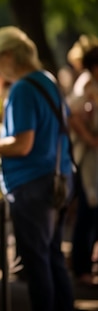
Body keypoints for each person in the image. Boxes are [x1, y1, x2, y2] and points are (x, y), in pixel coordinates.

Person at [0, 26, 75, 311]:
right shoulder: (47, 80)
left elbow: (22, 144)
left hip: (34, 183)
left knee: (37, 262)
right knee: (52, 257)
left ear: (9, 55)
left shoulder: (24, 87)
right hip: (59, 176)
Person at [69, 46, 98, 286]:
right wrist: (90, 139)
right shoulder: (87, 84)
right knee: (87, 215)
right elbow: (73, 114)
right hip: (88, 161)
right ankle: (82, 267)